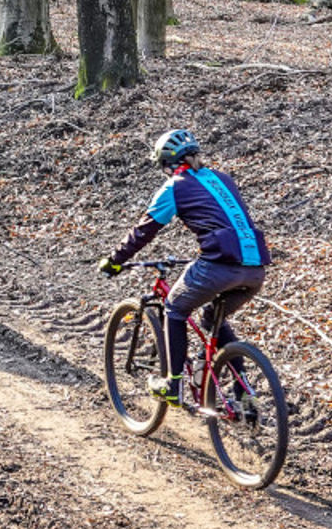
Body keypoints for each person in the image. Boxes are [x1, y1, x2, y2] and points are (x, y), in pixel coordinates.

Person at [97, 129, 269, 405]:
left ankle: (172, 385)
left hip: (219, 265)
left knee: (175, 308)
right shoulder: (222, 179)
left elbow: (144, 231)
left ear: (168, 164)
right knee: (213, 317)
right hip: (256, 267)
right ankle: (244, 391)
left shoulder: (175, 186)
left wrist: (115, 261)